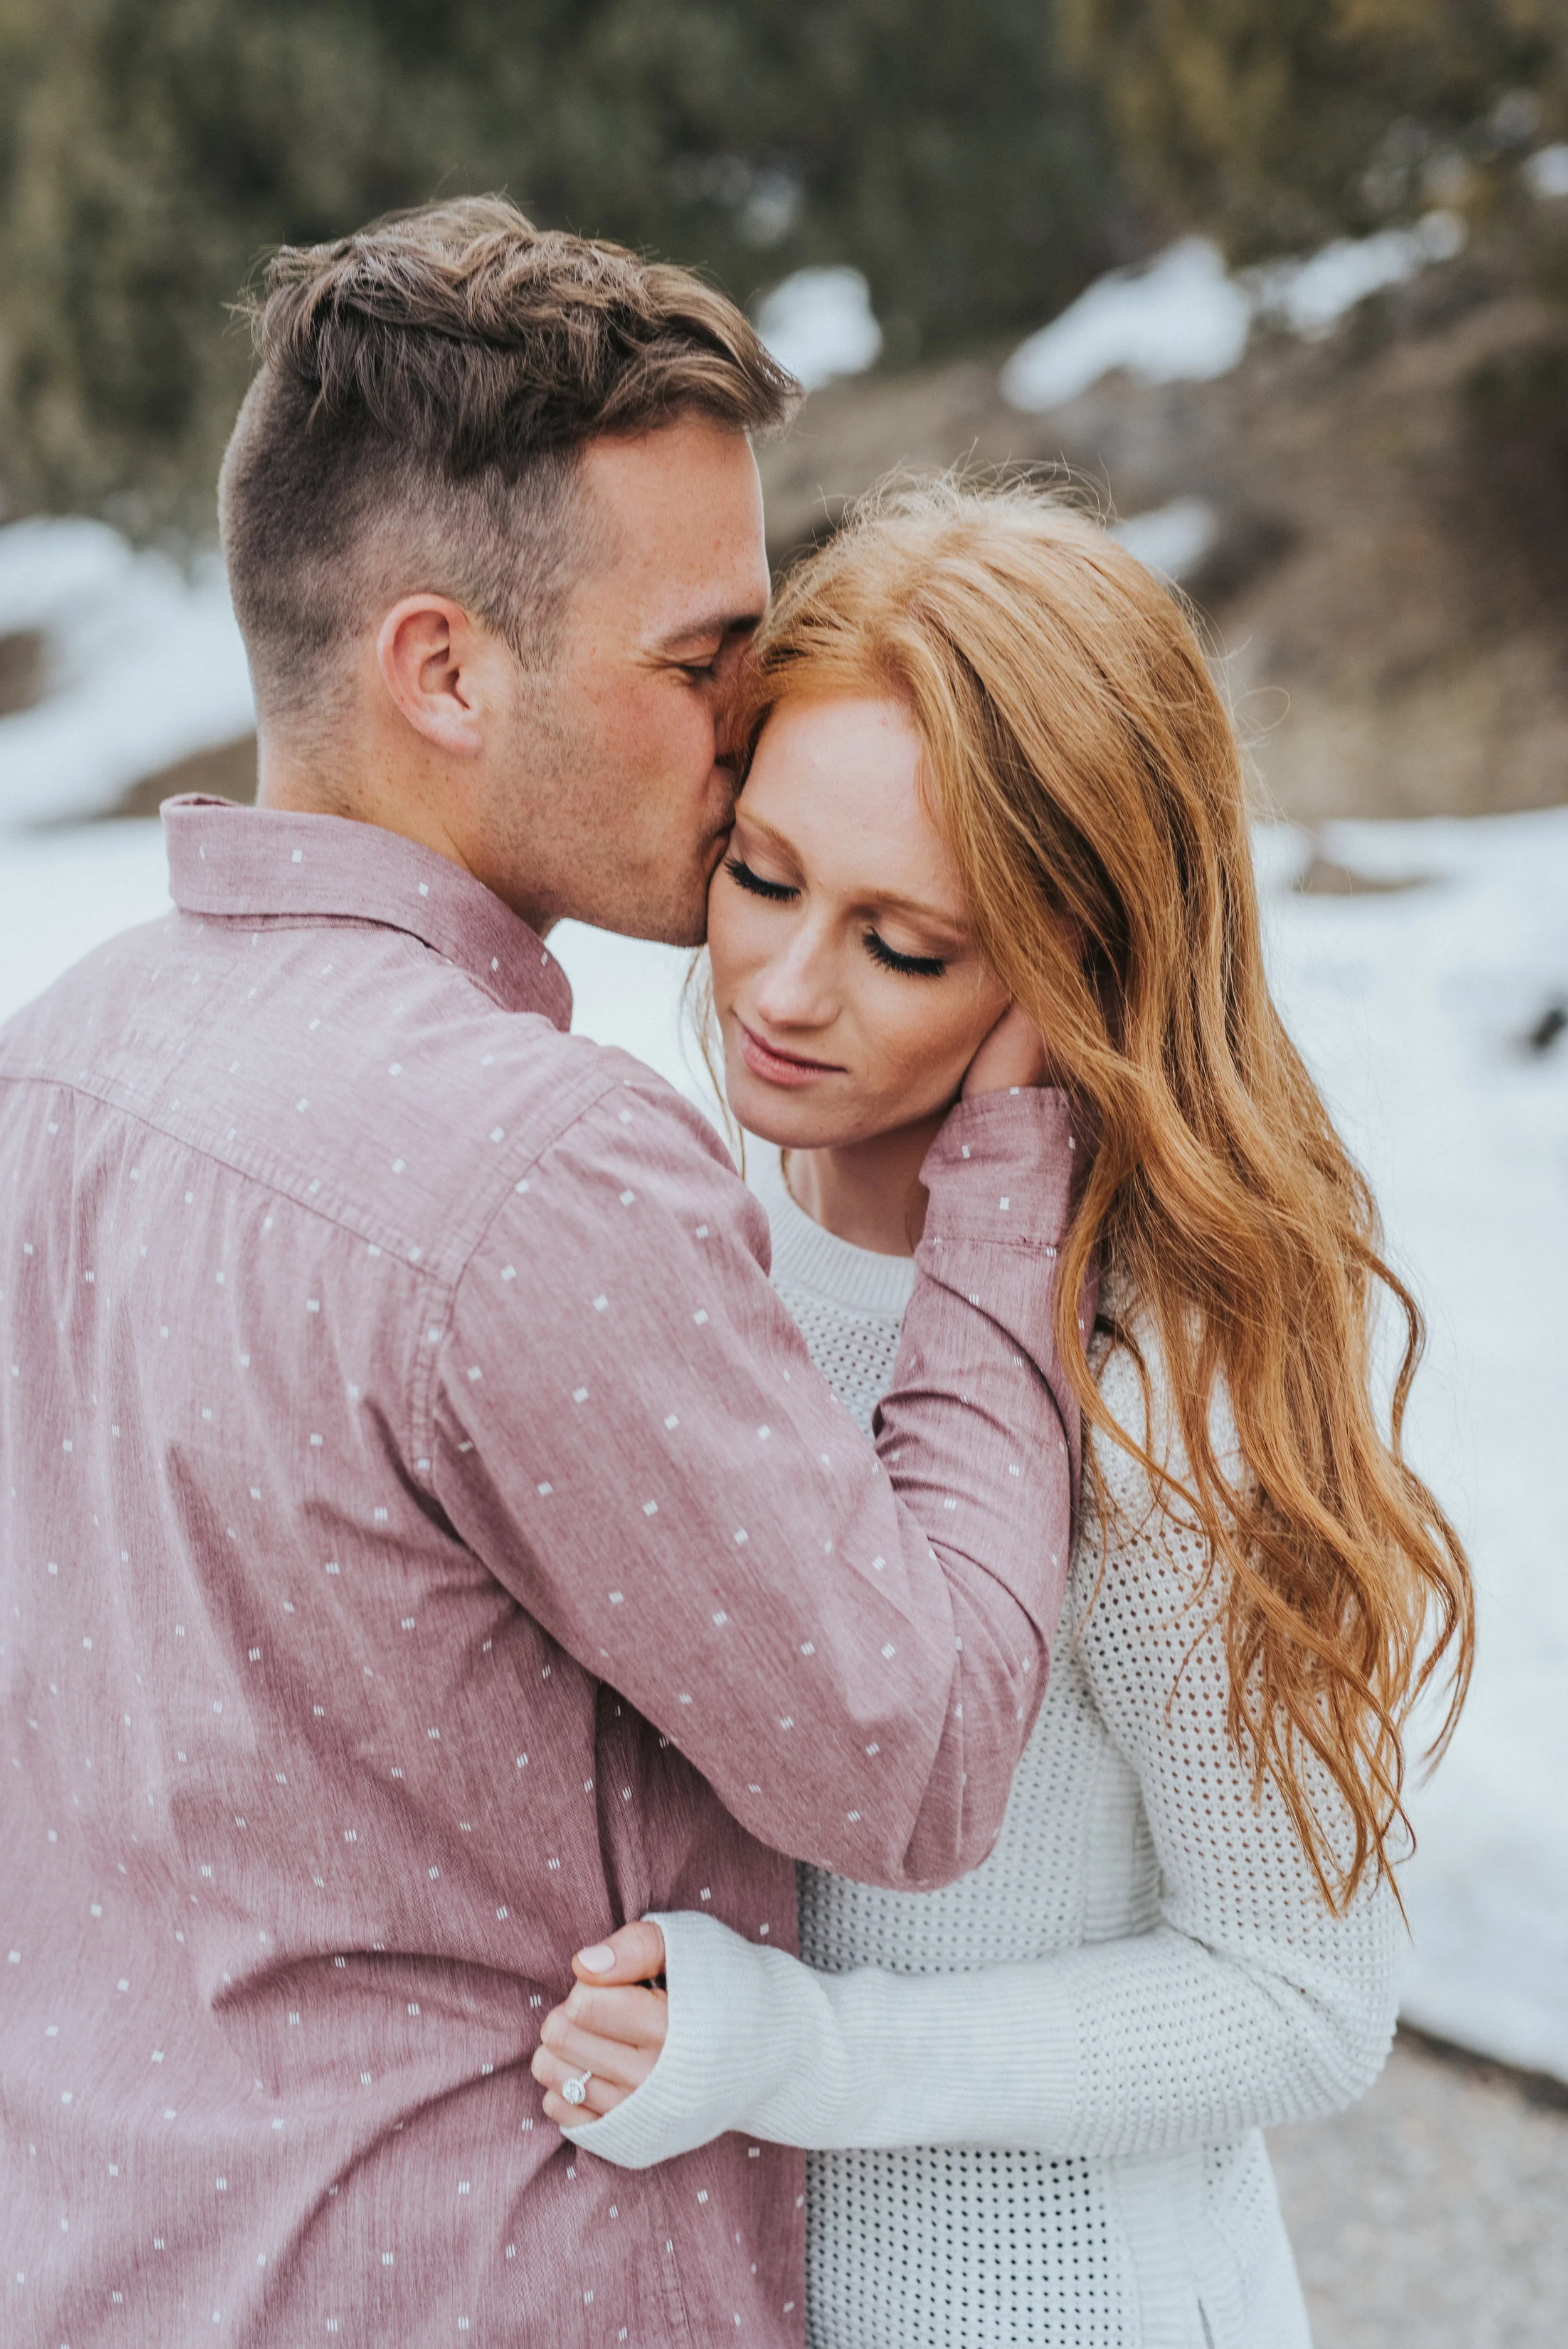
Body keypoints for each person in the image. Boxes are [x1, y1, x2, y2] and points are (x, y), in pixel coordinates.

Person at [0, 210, 1093, 2346]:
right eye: (700, 661)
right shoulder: (541, 1170)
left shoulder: (63, 1055)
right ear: (442, 669)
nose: (748, 718)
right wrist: (1001, 1173)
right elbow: (920, 1758)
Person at [532, 482, 1475, 2348]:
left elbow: (1299, 1998)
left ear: (1081, 966)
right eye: (762, 876)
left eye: (905, 946)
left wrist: (798, 2051)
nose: (783, 994)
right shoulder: (676, 1260)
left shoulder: (1147, 1392)